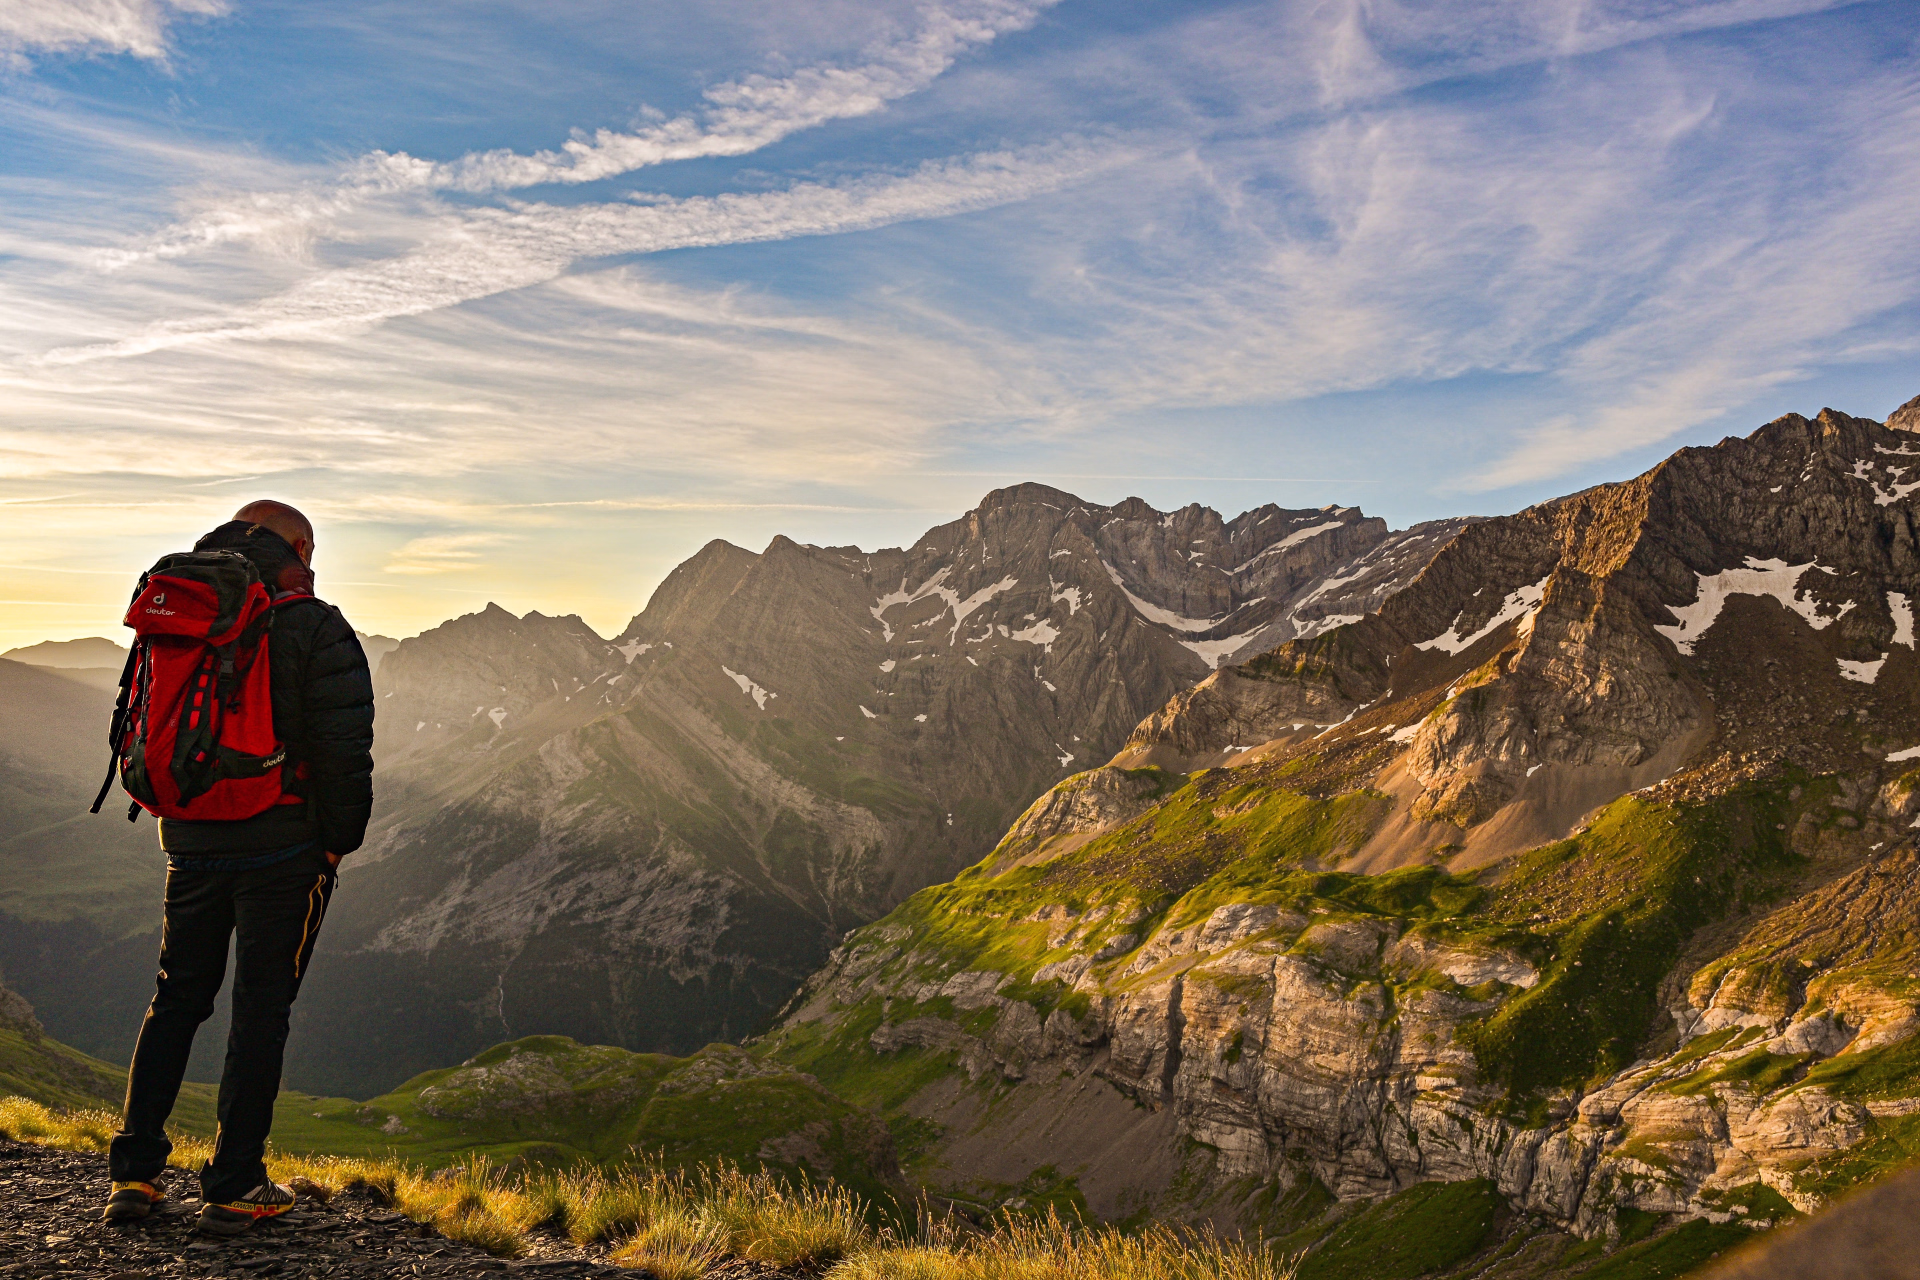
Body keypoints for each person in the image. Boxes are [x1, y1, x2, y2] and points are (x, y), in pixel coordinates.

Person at [103, 500, 374, 1234]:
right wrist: (335, 843)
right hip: (282, 847)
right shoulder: (314, 624)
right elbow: (345, 749)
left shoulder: (185, 603)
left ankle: (134, 1176)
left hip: (187, 836)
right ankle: (233, 1185)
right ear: (300, 548)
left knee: (176, 997)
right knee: (260, 1010)